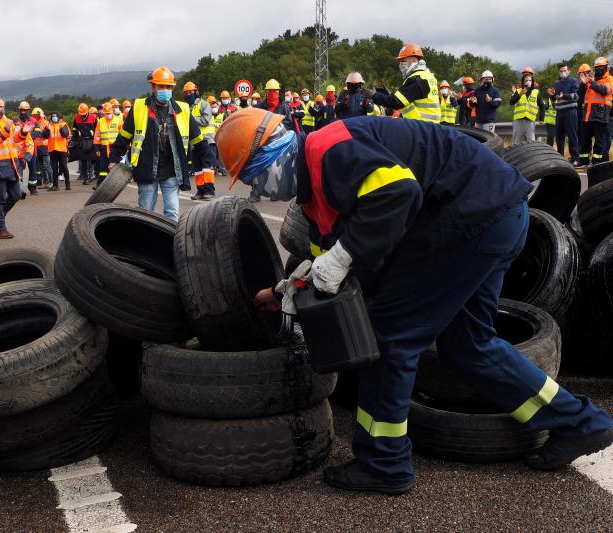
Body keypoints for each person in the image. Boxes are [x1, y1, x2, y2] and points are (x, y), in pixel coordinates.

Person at [217, 107, 613, 495]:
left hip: (468, 220)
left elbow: (397, 194)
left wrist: (338, 260)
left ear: (273, 155)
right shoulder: (314, 195)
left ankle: (383, 463)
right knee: (469, 347)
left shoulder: (327, 146)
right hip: (496, 215)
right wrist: (289, 287)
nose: (259, 190)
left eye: (254, 176)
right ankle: (580, 422)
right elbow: (335, 263)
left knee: (390, 340)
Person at [108, 66, 214, 221]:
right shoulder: (139, 108)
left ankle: (171, 244)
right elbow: (124, 136)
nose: (165, 90)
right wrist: (113, 159)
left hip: (171, 170)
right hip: (146, 169)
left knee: (172, 213)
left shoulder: (183, 110)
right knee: (145, 213)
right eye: (161, 86)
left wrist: (210, 160)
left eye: (169, 87)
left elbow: (198, 139)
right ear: (153, 87)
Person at [0, 96, 32, 239]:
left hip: (10, 164)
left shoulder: (6, 121)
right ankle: (1, 229)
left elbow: (15, 138)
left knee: (16, 195)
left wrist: (24, 132)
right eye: (0, 106)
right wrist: (6, 129)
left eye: (3, 106)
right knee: (0, 197)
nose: (3, 109)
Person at [372, 43, 440, 123]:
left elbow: (396, 102)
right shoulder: (427, 76)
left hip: (420, 126)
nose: (401, 64)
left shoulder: (417, 79)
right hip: (429, 126)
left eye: (403, 61)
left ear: (414, 60)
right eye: (400, 62)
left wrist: (374, 95)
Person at [183, 82, 215, 200]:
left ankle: (209, 191)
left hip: (206, 139)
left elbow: (206, 120)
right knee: (197, 168)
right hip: (194, 142)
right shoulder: (187, 107)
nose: (188, 95)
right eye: (186, 93)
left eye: (190, 92)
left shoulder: (203, 104)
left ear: (196, 92)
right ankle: (200, 191)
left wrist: (190, 119)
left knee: (206, 166)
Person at [580, 57, 612, 167]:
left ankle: (596, 162)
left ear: (606, 68)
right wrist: (583, 84)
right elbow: (581, 96)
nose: (598, 70)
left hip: (601, 114)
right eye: (596, 68)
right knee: (584, 140)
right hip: (588, 115)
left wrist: (592, 82)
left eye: (601, 68)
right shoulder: (591, 80)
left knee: (599, 141)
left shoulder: (609, 79)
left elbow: (605, 91)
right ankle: (583, 161)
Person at [550, 64, 581, 165]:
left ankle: (575, 158)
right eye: (561, 71)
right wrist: (552, 96)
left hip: (570, 111)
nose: (562, 72)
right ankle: (560, 158)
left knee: (572, 135)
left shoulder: (574, 81)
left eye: (564, 70)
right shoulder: (556, 83)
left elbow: (576, 96)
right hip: (559, 112)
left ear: (569, 71)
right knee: (559, 136)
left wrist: (565, 96)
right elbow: (554, 98)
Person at [510, 67, 546, 143]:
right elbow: (511, 102)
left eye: (530, 80)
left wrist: (541, 119)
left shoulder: (536, 92)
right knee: (516, 142)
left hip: (530, 121)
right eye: (526, 80)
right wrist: (520, 94)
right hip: (519, 120)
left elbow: (542, 106)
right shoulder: (519, 91)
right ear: (523, 82)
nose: (528, 82)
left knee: (531, 142)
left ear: (532, 81)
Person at [91, 103, 119, 190]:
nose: (107, 115)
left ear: (112, 111)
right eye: (105, 113)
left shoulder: (119, 120)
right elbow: (97, 136)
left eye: (108, 113)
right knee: (103, 167)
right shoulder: (100, 122)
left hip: (115, 147)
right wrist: (96, 148)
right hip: (103, 147)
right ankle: (100, 184)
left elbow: (123, 134)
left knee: (115, 167)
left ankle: (115, 185)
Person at [17, 101, 39, 195]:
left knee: (33, 170)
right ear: (19, 110)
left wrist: (26, 134)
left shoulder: (34, 121)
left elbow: (38, 133)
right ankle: (19, 189)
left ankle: (33, 188)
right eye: (22, 110)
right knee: (18, 171)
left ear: (28, 110)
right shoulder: (15, 120)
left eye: (25, 110)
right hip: (19, 151)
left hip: (31, 150)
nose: (23, 112)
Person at [73, 103, 97, 185]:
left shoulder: (93, 118)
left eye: (83, 114)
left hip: (92, 140)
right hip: (82, 141)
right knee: (83, 160)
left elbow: (97, 129)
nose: (82, 116)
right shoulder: (76, 118)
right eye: (81, 114)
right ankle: (85, 176)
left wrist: (96, 141)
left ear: (87, 111)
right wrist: (74, 140)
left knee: (91, 160)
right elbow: (74, 129)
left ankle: (90, 176)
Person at [209, 99, 227, 175]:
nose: (213, 107)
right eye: (211, 105)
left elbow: (227, 126)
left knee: (220, 155)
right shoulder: (208, 115)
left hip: (220, 138)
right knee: (213, 154)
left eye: (215, 105)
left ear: (217, 105)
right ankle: (214, 168)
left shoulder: (223, 115)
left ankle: (222, 169)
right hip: (211, 138)